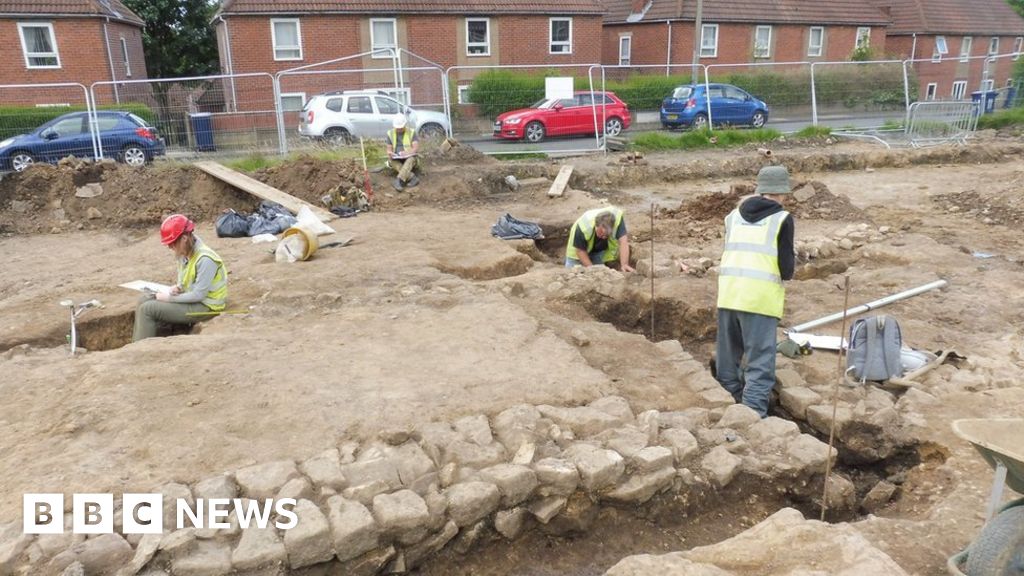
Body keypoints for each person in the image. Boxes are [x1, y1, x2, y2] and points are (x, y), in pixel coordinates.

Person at [714, 165, 796, 417]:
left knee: (728, 358)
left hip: (729, 294)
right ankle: (752, 416)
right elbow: (786, 270)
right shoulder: (782, 219)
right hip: (759, 300)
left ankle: (729, 401)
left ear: (760, 189)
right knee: (760, 362)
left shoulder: (733, 216)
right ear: (782, 193)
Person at [132, 214, 228, 342]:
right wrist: (178, 287)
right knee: (144, 299)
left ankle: (139, 349)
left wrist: (169, 298)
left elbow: (198, 295)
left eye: (172, 244)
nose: (170, 247)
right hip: (193, 299)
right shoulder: (185, 252)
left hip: (207, 307)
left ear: (184, 238)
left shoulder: (206, 259)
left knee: (147, 309)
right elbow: (185, 280)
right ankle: (141, 341)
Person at [565, 206, 635, 272]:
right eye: (601, 232)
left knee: (600, 273)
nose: (604, 237)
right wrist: (593, 269)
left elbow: (623, 242)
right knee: (572, 273)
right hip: (577, 252)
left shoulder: (617, 220)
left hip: (598, 250)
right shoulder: (584, 227)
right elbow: (580, 251)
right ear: (596, 225)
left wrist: (624, 264)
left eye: (607, 235)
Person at [387, 115, 419, 190]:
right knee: (391, 160)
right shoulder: (390, 133)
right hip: (397, 158)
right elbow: (388, 149)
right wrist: (390, 153)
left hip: (410, 157)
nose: (399, 129)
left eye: (401, 128)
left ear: (405, 125)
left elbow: (415, 148)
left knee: (410, 159)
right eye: (397, 128)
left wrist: (407, 153)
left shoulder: (411, 132)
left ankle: (399, 180)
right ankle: (413, 177)